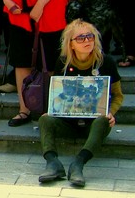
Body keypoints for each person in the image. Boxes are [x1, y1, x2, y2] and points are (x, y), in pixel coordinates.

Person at [37, 20, 124, 188]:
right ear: (71, 44)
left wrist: (111, 112)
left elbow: (118, 95)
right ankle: (52, 162)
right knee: (44, 119)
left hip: (93, 124)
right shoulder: (62, 63)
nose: (87, 41)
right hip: (68, 121)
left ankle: (78, 164)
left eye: (89, 36)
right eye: (81, 38)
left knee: (103, 120)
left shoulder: (106, 62)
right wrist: (52, 110)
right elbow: (56, 93)